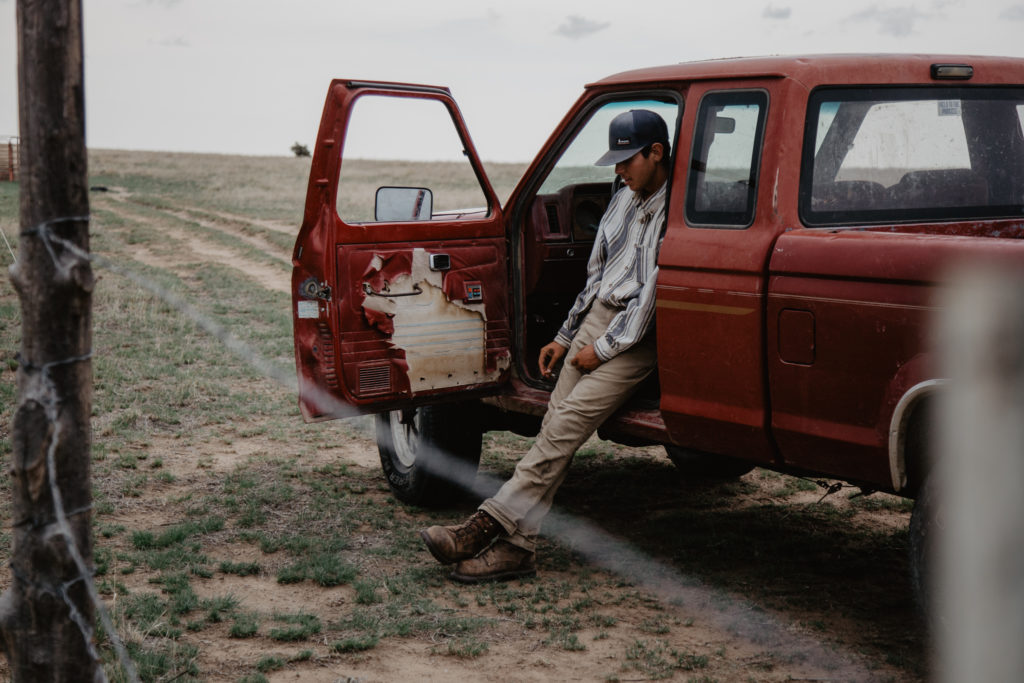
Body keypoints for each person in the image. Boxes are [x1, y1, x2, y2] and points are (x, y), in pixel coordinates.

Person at [421, 109, 672, 583]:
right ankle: (518, 547)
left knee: (564, 427)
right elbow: (598, 278)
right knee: (554, 426)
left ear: (656, 153)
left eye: (627, 160)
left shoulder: (677, 212)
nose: (618, 170)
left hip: (638, 335)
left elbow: (654, 295)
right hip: (598, 319)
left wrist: (603, 349)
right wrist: (564, 335)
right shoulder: (621, 200)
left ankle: (483, 527)